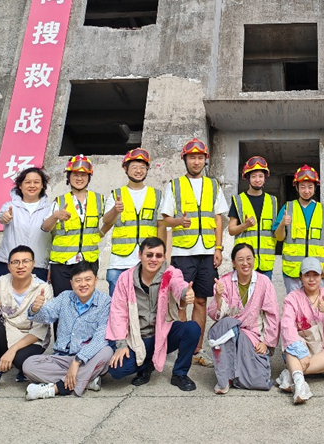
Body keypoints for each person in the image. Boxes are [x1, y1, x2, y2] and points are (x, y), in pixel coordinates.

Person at [160, 138, 228, 368]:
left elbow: (218, 218)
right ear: (185, 160)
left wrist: (218, 248)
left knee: (201, 300)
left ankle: (197, 350)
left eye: (200, 158)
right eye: (192, 158)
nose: (196, 162)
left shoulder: (213, 185)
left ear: (205, 160)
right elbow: (166, 219)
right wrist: (179, 221)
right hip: (183, 252)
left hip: (207, 252)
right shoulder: (174, 185)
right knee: (181, 300)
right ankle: (182, 348)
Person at [106, 237, 200, 391]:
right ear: (140, 255)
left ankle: (180, 374)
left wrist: (185, 293)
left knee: (192, 329)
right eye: (149, 255)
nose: (154, 259)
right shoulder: (126, 278)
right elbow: (118, 312)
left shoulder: (170, 273)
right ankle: (147, 364)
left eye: (158, 255)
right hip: (137, 339)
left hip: (163, 335)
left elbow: (178, 284)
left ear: (164, 257)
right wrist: (121, 344)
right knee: (116, 371)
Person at [22, 261, 113, 399]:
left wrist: (77, 361)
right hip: (62, 358)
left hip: (87, 358)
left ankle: (57, 388)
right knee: (28, 365)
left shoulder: (105, 302)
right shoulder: (65, 297)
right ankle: (86, 380)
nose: (83, 284)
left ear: (96, 280)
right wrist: (35, 310)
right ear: (71, 283)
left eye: (88, 279)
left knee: (106, 352)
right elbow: (47, 315)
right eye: (78, 280)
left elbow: (101, 338)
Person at [0, 245, 53, 394]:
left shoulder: (42, 288)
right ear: (8, 266)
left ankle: (21, 366)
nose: (20, 266)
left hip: (31, 339)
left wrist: (12, 351)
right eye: (15, 262)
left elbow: (39, 331)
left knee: (20, 360)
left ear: (33, 264)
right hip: (6, 334)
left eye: (25, 261)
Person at [207, 243, 280, 393]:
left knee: (257, 380)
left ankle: (239, 372)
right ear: (234, 263)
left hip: (253, 335)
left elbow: (272, 315)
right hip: (230, 333)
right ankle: (225, 378)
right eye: (240, 259)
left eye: (249, 258)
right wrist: (218, 297)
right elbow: (215, 315)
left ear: (254, 260)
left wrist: (266, 342)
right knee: (226, 324)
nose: (245, 263)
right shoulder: (224, 282)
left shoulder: (264, 282)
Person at [278, 257, 324, 404]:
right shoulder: (292, 298)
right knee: (290, 344)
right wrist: (301, 353)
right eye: (307, 275)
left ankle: (293, 372)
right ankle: (300, 384)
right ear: (300, 277)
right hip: (302, 350)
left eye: (315, 275)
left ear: (321, 276)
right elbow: (287, 327)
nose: (311, 279)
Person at [101, 148, 164, 295]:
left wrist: (163, 258)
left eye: (142, 167)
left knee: (146, 305)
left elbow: (161, 227)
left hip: (147, 263)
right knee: (117, 305)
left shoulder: (156, 195)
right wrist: (115, 210)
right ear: (125, 168)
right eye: (134, 167)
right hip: (119, 263)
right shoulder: (116, 194)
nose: (138, 171)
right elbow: (106, 221)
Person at [42, 155, 104, 300]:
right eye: (75, 175)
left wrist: (100, 235)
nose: (79, 178)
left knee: (85, 303)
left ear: (89, 177)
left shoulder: (99, 199)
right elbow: (45, 227)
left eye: (83, 175)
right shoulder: (60, 201)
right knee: (63, 302)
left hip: (88, 261)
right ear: (68, 177)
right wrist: (55, 216)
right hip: (62, 263)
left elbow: (108, 222)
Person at [275, 165, 324, 295]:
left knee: (315, 303)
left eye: (310, 187)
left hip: (316, 269)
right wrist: (282, 224)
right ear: (296, 188)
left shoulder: (323, 210)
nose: (306, 191)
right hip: (293, 269)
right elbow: (279, 237)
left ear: (315, 188)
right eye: (302, 187)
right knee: (294, 303)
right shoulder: (288, 207)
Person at [0, 167, 53, 281]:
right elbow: (2, 216)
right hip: (9, 263)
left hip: (38, 264)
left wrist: (51, 266)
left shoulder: (50, 209)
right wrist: (5, 217)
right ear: (20, 185)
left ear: (42, 185)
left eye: (36, 182)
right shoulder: (10, 206)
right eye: (27, 182)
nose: (32, 185)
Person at [228, 156, 279, 279]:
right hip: (244, 262)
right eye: (254, 176)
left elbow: (276, 231)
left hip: (265, 263)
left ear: (265, 178)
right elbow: (231, 230)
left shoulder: (273, 201)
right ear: (247, 178)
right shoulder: (239, 200)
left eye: (261, 176)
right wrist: (245, 225)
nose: (257, 180)